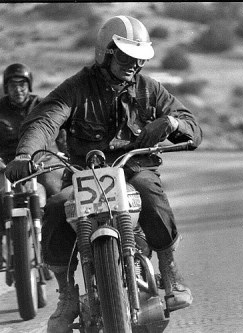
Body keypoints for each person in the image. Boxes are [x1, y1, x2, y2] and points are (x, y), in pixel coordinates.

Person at [4, 16, 202, 333]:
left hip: (132, 168)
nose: (133, 64)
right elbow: (44, 122)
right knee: (55, 207)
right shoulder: (75, 89)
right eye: (125, 56)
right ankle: (67, 297)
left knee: (150, 192)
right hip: (84, 173)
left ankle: (169, 271)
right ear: (106, 52)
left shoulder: (150, 91)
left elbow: (190, 124)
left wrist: (174, 124)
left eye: (139, 59)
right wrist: (26, 154)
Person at [0, 63, 66, 196]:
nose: (18, 89)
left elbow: (61, 132)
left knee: (59, 193)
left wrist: (67, 154)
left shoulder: (43, 105)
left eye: (22, 85)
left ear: (28, 86)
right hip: (8, 165)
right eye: (13, 85)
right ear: (6, 88)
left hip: (43, 162)